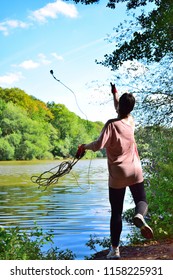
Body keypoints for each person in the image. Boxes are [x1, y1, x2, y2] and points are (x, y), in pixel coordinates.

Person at [78, 83, 153, 259]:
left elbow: (98, 146)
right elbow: (120, 108)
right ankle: (139, 215)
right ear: (131, 109)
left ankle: (115, 250)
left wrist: (84, 147)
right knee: (141, 200)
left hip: (118, 173)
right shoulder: (130, 121)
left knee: (117, 212)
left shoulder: (111, 124)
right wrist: (115, 94)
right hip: (135, 170)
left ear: (120, 107)